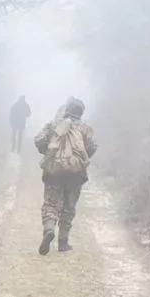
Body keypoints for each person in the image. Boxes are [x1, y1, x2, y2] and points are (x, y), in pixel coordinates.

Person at [32, 98, 96, 254]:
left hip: (54, 172)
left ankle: (49, 229)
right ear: (81, 112)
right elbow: (92, 147)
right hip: (75, 174)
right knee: (69, 206)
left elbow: (39, 141)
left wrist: (49, 152)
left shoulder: (54, 124)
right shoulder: (85, 128)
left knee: (51, 204)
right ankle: (63, 242)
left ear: (67, 109)